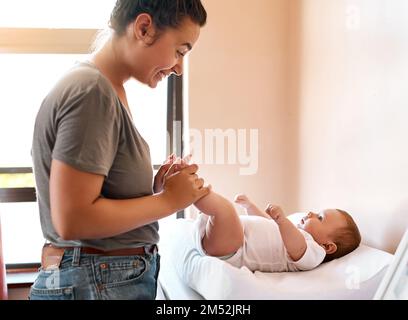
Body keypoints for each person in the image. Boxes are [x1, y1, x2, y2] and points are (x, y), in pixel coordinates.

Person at [30, 0, 209, 300]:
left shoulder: (106, 88)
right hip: (96, 280)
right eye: (180, 51)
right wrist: (168, 201)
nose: (179, 67)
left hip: (99, 278)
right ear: (143, 28)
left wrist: (154, 192)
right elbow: (72, 218)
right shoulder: (92, 90)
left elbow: (94, 201)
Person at [193, 192, 361, 272]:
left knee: (223, 210)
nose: (311, 213)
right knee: (219, 213)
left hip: (234, 250)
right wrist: (250, 206)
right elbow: (266, 223)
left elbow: (297, 247)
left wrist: (282, 221)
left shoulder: (313, 252)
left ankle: (190, 188)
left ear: (328, 246)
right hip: (229, 238)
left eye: (320, 218)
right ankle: (185, 185)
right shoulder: (292, 230)